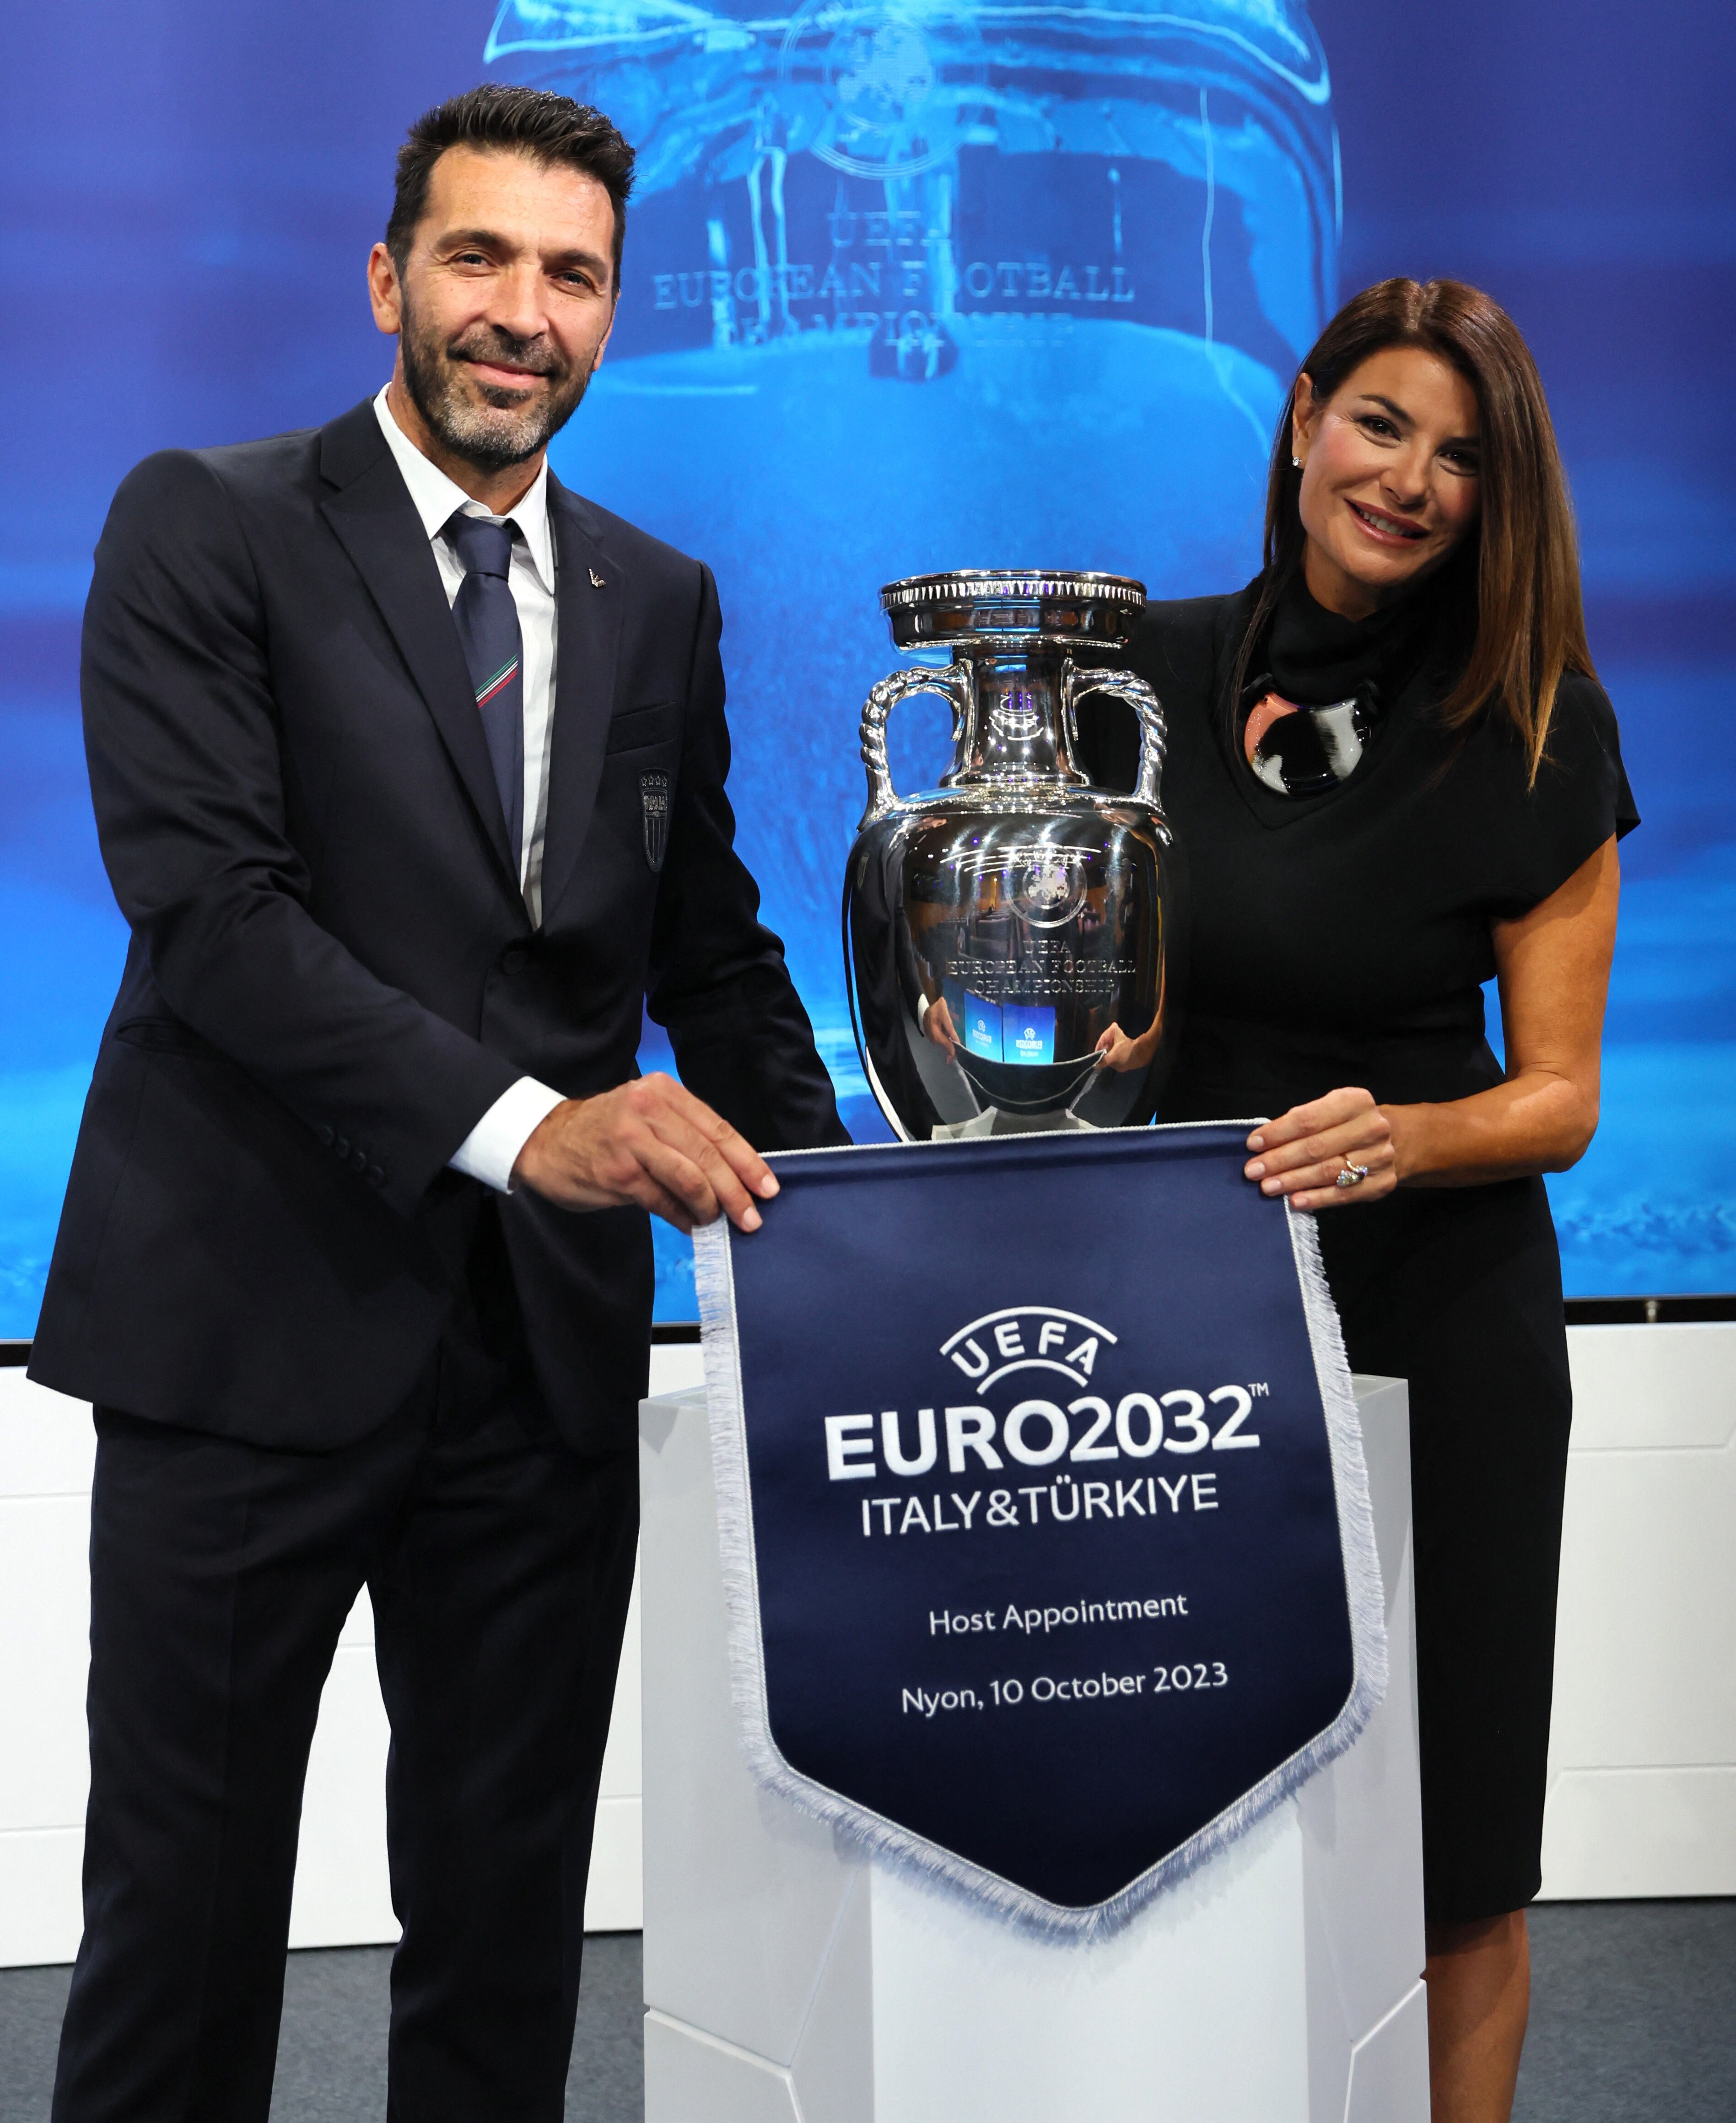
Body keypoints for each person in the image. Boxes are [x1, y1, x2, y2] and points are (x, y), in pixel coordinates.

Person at [28, 83, 845, 2123]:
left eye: (569, 274)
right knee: (184, 1942)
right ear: (390, 277)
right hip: (244, 1334)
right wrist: (536, 1124)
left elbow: (708, 946)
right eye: (479, 258)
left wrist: (875, 1222)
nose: (521, 311)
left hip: (537, 1373)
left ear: (612, 313)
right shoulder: (201, 523)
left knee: (503, 1949)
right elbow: (214, 917)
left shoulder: (660, 596)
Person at [1086, 278, 1635, 2123]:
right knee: (1189, 1809)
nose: (1408, 481)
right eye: (1383, 424)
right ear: (1303, 416)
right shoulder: (1135, 681)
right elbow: (1093, 1012)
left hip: (1436, 1322)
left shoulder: (1538, 724)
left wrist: (1403, 1131)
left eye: (1461, 458)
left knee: (1456, 1844)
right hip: (1181, 1331)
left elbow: (1557, 1098)